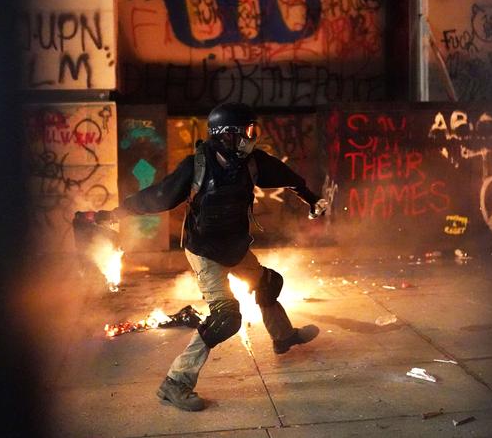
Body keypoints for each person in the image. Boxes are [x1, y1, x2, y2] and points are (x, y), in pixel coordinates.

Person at [95, 102, 328, 411]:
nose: (250, 139)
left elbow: (290, 178)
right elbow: (159, 196)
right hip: (204, 251)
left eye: (252, 132)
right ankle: (175, 382)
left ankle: (283, 337)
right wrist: (116, 213)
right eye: (245, 133)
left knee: (269, 283)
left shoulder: (252, 164)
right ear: (224, 136)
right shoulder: (196, 167)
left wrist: (312, 201)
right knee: (225, 318)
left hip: (235, 245)